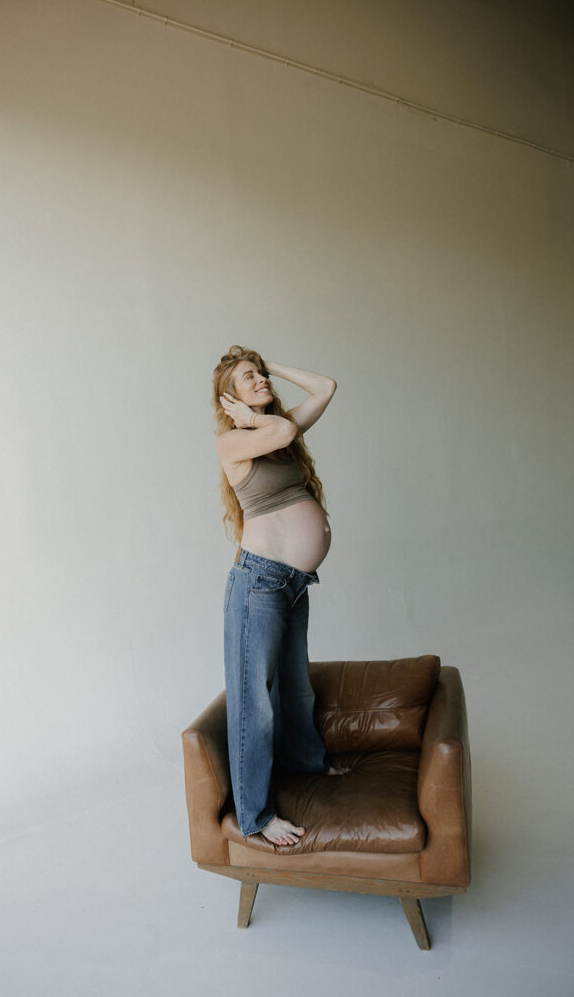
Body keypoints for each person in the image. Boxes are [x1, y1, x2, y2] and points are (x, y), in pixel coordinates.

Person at [212, 345, 346, 848]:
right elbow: (285, 431)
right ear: (229, 399)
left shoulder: (279, 430)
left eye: (261, 374)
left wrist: (270, 367)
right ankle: (255, 815)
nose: (261, 380)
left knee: (296, 688)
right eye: (249, 377)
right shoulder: (233, 441)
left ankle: (309, 767)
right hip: (259, 584)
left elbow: (326, 387)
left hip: (292, 584)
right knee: (256, 703)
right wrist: (249, 417)